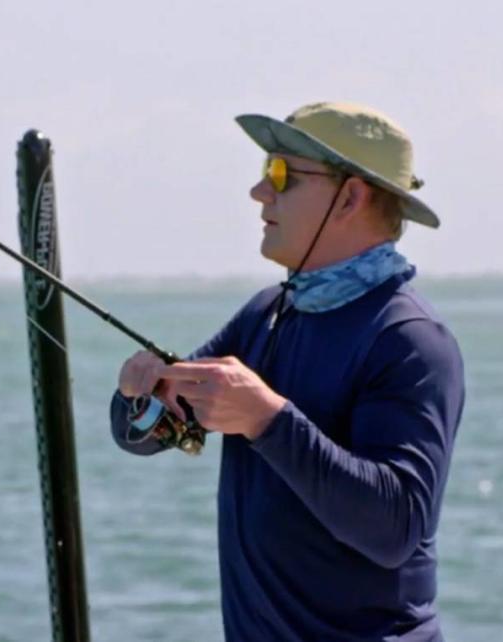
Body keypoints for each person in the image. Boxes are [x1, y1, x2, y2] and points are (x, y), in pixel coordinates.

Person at [111, 102, 465, 641]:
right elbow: (148, 435)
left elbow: (395, 527)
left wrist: (268, 420)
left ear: (350, 196)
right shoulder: (267, 313)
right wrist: (143, 395)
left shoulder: (410, 340)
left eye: (281, 175)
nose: (259, 193)